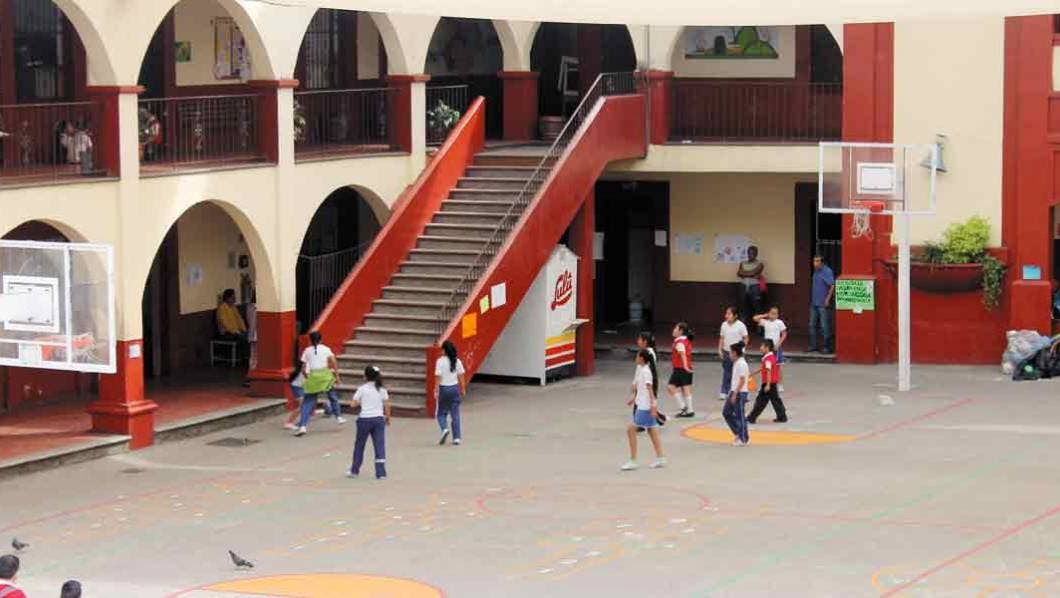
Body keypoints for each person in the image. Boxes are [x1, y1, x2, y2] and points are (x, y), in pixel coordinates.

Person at [621, 348, 666, 471]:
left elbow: (650, 390)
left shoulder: (646, 372)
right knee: (652, 430)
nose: (635, 358)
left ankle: (633, 460)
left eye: (637, 356)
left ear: (641, 358)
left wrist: (653, 406)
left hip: (645, 407)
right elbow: (641, 389)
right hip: (643, 404)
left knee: (630, 430)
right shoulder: (642, 370)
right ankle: (661, 458)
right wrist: (634, 398)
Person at [294, 331, 344, 436]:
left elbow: (303, 368)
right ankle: (339, 417)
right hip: (325, 375)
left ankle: (303, 426)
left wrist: (308, 378)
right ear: (321, 339)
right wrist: (337, 376)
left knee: (307, 402)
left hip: (313, 376)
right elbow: (334, 362)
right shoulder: (326, 349)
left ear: (311, 340)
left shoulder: (307, 351)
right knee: (332, 397)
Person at [348, 366, 391, 480]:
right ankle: (381, 473)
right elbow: (387, 404)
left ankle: (354, 470)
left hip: (364, 419)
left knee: (360, 445)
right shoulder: (382, 389)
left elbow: (353, 404)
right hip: (378, 419)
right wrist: (387, 417)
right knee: (379, 444)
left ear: (365, 376)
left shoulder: (362, 389)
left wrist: (360, 402)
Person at [747, 339, 788, 424]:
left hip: (768, 383)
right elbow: (763, 368)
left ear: (767, 347)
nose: (760, 348)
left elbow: (768, 371)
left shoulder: (768, 359)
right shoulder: (771, 357)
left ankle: (752, 417)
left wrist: (768, 385)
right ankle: (782, 416)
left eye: (762, 346)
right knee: (775, 400)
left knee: (761, 401)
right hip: (772, 383)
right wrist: (753, 373)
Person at [435, 340, 466, 445]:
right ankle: (456, 438)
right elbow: (461, 375)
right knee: (455, 414)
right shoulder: (457, 361)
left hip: (444, 389)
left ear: (444, 350)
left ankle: (444, 428)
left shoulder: (440, 361)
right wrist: (463, 388)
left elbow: (438, 376)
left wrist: (436, 389)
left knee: (441, 413)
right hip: (454, 388)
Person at [634, 331, 665, 429]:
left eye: (639, 339)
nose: (637, 341)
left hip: (646, 383)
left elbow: (642, 370)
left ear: (645, 341)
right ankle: (651, 420)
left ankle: (643, 423)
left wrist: (636, 383)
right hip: (643, 383)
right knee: (642, 403)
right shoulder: (646, 352)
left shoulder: (647, 353)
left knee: (643, 403)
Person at [753, 306, 788, 392]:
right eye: (772, 313)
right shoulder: (765, 322)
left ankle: (779, 384)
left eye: (775, 314)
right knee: (765, 366)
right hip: (767, 348)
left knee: (777, 366)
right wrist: (765, 315)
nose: (774, 315)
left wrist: (779, 344)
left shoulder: (779, 322)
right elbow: (755, 318)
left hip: (776, 347)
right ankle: (764, 383)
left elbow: (784, 334)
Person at [718, 307, 749, 401]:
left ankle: (743, 392)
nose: (726, 316)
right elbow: (722, 338)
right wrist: (719, 349)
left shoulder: (741, 325)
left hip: (738, 353)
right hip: (727, 351)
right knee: (727, 373)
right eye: (726, 314)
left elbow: (746, 338)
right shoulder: (724, 325)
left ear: (735, 315)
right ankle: (724, 391)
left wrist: (742, 348)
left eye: (729, 314)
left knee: (740, 373)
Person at [723, 342, 751, 446]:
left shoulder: (741, 364)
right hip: (733, 391)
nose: (729, 354)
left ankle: (743, 438)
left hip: (739, 392)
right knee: (726, 412)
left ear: (735, 353)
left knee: (740, 416)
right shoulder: (737, 362)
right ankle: (738, 432)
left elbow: (742, 380)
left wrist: (735, 393)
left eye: (730, 352)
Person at [667, 322, 696, 418]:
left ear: (681, 331)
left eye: (675, 328)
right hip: (685, 368)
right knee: (686, 389)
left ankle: (683, 407)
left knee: (671, 387)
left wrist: (685, 366)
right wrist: (687, 366)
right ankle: (689, 410)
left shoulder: (679, 342)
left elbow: (682, 354)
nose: (673, 330)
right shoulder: (686, 340)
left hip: (680, 368)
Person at [809, 255, 835, 354]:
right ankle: (813, 346)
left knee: (824, 326)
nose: (815, 263)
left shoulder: (827, 271)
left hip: (823, 303)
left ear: (822, 262)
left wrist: (827, 299)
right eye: (814, 261)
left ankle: (826, 347)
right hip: (814, 302)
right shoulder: (816, 271)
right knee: (812, 325)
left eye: (817, 261)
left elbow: (832, 285)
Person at [215, 288, 250, 359]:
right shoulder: (222, 308)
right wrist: (236, 332)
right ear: (227, 298)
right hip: (226, 333)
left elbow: (239, 320)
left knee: (250, 336)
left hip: (236, 331)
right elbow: (226, 324)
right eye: (232, 297)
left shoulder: (233, 307)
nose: (234, 299)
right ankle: (245, 357)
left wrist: (244, 330)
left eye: (234, 297)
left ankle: (246, 356)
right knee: (244, 338)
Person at [737, 245, 765, 328]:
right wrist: (751, 274)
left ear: (756, 254)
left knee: (757, 307)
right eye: (749, 253)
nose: (750, 255)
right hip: (743, 286)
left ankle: (759, 328)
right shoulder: (742, 263)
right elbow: (739, 273)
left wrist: (745, 273)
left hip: (755, 287)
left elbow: (755, 271)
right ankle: (742, 329)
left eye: (752, 253)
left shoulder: (760, 264)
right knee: (742, 307)